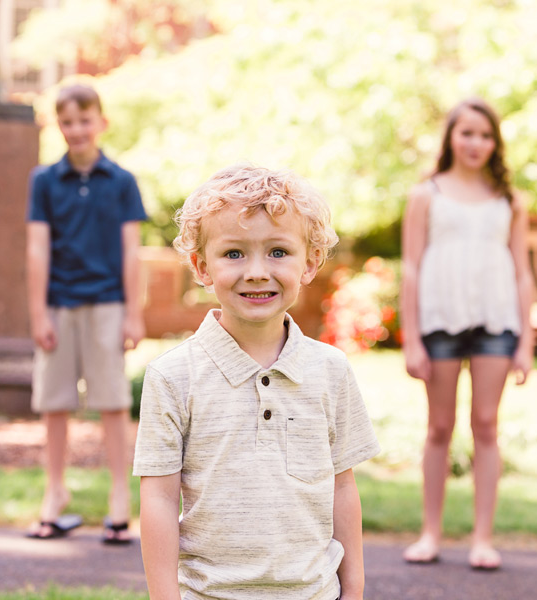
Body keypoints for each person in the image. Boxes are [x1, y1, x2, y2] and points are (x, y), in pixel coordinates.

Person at [133, 165, 381, 599]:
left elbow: (343, 487)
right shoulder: (172, 376)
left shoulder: (331, 370)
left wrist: (354, 589)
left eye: (278, 252)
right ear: (201, 266)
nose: (256, 271)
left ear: (310, 262)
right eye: (233, 254)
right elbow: (158, 501)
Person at [400, 98, 534, 570]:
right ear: (450, 138)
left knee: (486, 425)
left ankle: (482, 538)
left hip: (497, 324)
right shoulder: (425, 195)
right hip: (439, 322)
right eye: (467, 133)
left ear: (495, 142)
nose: (476, 143)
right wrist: (411, 337)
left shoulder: (510, 200)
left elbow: (522, 272)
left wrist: (527, 340)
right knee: (438, 427)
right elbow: (411, 268)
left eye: (485, 135)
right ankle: (430, 534)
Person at [25, 83, 147, 544]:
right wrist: (38, 313)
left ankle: (120, 499)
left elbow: (131, 250)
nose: (77, 130)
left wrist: (135, 313)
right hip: (59, 304)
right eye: (68, 122)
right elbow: (37, 249)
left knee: (112, 402)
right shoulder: (43, 181)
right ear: (59, 126)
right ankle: (55, 494)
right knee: (54, 403)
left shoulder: (121, 181)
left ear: (101, 122)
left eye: (84, 120)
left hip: (107, 304)